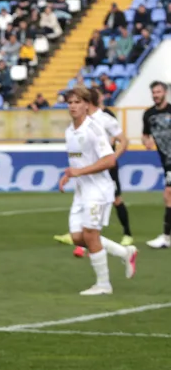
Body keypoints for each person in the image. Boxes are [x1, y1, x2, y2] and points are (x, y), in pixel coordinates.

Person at [57, 87, 137, 296]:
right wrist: (70, 174)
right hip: (81, 190)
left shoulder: (94, 128)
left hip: (98, 189)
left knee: (91, 234)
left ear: (86, 105)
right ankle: (124, 252)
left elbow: (110, 160)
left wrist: (80, 171)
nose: (73, 106)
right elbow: (77, 159)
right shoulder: (69, 131)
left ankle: (104, 284)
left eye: (77, 102)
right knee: (77, 237)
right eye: (70, 102)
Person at [142, 81, 171, 249]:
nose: (155, 95)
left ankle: (166, 237)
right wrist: (147, 142)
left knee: (168, 193)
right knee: (168, 195)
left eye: (158, 92)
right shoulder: (148, 114)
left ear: (165, 92)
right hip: (165, 160)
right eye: (153, 92)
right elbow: (145, 135)